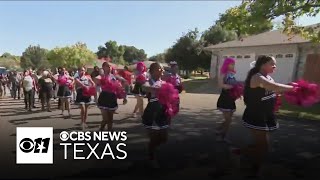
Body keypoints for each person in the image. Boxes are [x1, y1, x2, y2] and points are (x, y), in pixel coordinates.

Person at [232, 55, 295, 177]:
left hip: (266, 115)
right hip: (256, 115)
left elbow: (273, 90)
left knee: (261, 145)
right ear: (262, 65)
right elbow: (274, 87)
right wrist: (295, 88)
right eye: (272, 64)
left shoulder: (268, 77)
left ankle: (241, 154)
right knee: (263, 146)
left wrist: (276, 97)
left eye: (275, 64)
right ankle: (254, 168)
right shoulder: (257, 77)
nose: (275, 66)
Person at [142, 62, 169, 168]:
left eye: (163, 69)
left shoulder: (163, 82)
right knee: (154, 138)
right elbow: (145, 87)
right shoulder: (148, 81)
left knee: (164, 138)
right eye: (160, 69)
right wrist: (159, 90)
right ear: (152, 71)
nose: (162, 71)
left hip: (163, 113)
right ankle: (152, 157)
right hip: (152, 113)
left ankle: (152, 148)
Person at [95, 62, 126, 131]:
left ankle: (109, 132)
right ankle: (101, 129)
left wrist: (123, 95)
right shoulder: (100, 76)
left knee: (110, 118)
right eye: (107, 66)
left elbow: (124, 81)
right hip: (104, 97)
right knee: (105, 119)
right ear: (103, 67)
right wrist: (96, 98)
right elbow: (96, 85)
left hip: (112, 97)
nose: (109, 67)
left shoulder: (114, 76)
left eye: (110, 66)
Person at [216, 58, 238, 143]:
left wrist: (237, 89)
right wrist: (232, 87)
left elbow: (234, 84)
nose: (233, 65)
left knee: (228, 119)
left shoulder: (232, 74)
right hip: (225, 98)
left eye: (233, 64)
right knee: (228, 120)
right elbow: (220, 84)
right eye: (231, 64)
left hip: (231, 98)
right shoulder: (223, 73)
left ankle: (219, 129)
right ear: (227, 64)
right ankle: (223, 136)